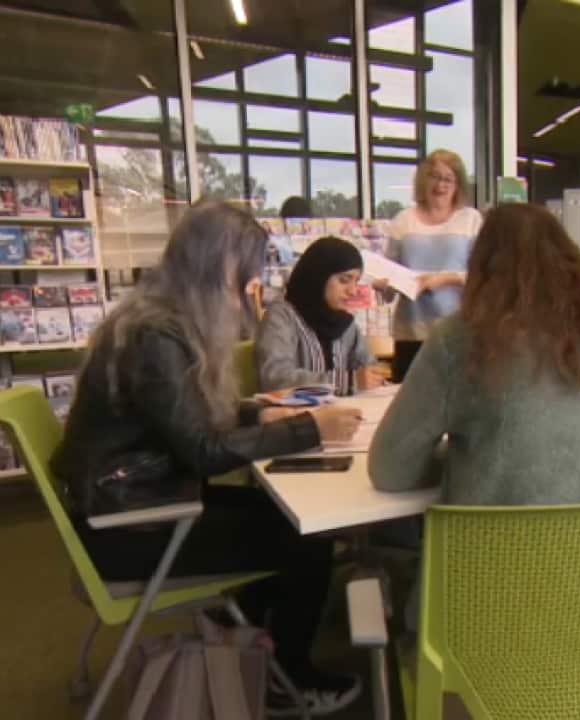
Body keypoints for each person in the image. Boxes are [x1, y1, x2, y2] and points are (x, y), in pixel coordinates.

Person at [51, 202, 365, 715]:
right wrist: (309, 428)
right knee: (307, 541)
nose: (247, 295)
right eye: (244, 281)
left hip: (133, 500)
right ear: (218, 270)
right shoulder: (157, 336)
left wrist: (256, 413)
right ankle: (287, 677)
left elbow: (182, 417)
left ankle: (250, 642)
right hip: (131, 528)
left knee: (286, 518)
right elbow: (202, 451)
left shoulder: (153, 320)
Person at [369, 202, 580, 507]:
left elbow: (391, 468)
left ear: (481, 265)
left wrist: (468, 458)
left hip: (493, 538)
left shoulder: (458, 339)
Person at [379, 150, 483, 382]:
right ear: (423, 179)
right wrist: (385, 285)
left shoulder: (471, 220)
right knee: (407, 397)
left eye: (448, 179)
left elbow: (483, 275)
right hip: (411, 332)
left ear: (458, 184)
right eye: (434, 177)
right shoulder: (403, 220)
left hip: (457, 329)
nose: (440, 185)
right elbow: (389, 273)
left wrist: (446, 279)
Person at [256, 236, 384, 396]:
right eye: (344, 280)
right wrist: (347, 381)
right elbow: (275, 379)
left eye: (356, 282)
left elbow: (368, 367)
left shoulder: (345, 324)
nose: (352, 291)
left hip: (343, 411)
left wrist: (373, 377)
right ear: (319, 277)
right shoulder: (282, 316)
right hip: (298, 412)